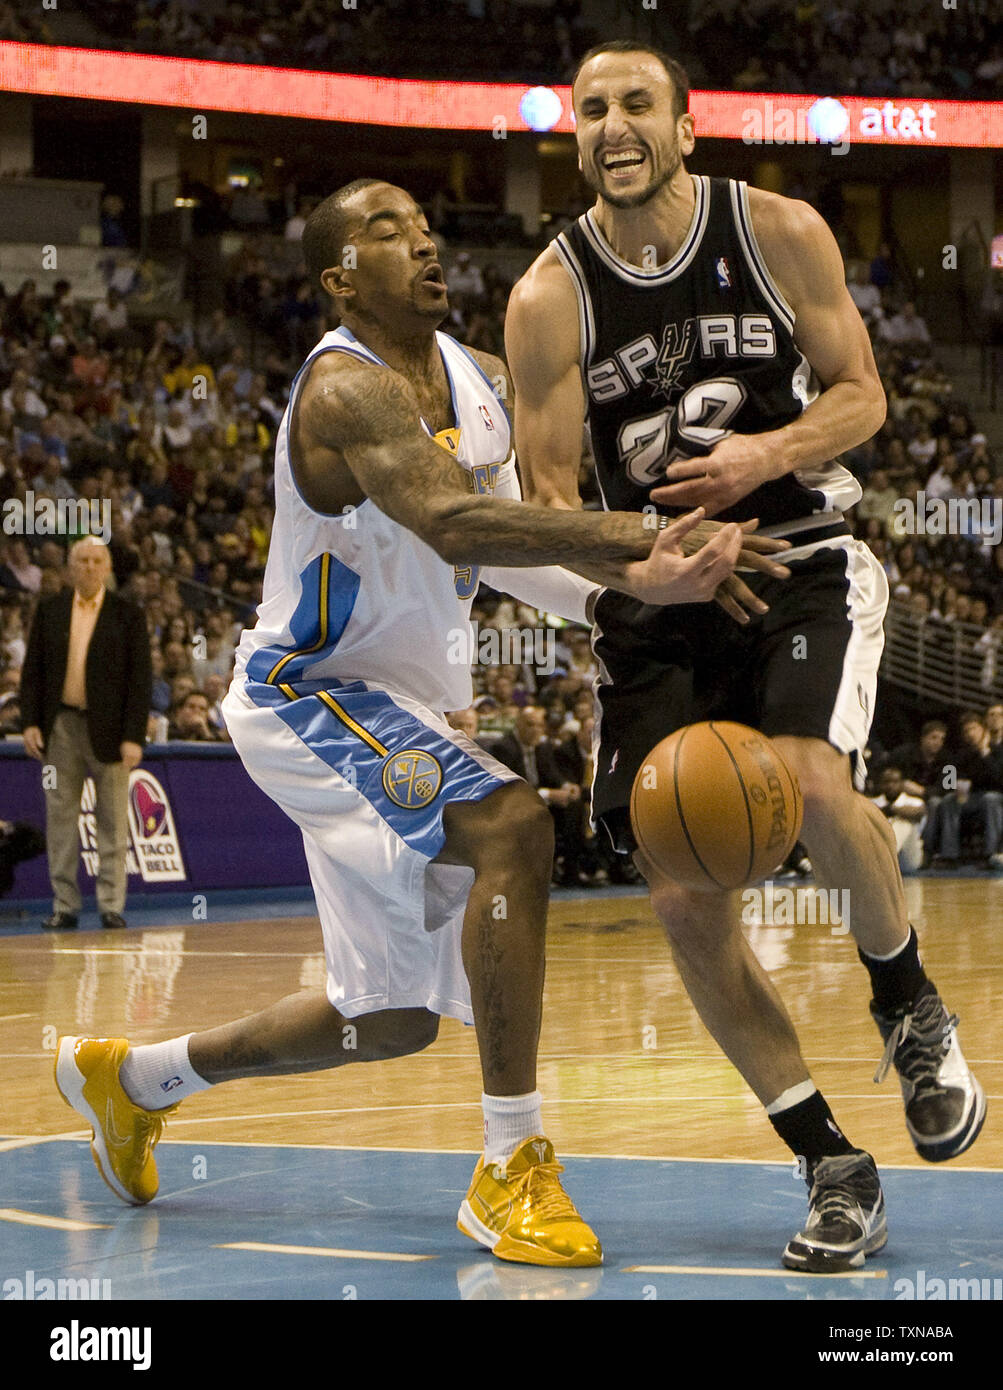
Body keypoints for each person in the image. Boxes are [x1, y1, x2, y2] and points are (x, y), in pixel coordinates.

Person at [54, 178, 787, 1268]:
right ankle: (510, 1166)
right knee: (514, 828)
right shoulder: (344, 390)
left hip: (389, 709)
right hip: (305, 690)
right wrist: (642, 536)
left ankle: (136, 1078)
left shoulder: (479, 382)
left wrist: (630, 593)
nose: (425, 241)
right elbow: (451, 523)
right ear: (342, 279)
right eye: (387, 230)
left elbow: (497, 546)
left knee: (385, 1019)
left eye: (427, 226)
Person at [504, 39, 985, 1273]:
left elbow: (862, 395)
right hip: (654, 597)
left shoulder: (778, 231)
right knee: (679, 884)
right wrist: (642, 563)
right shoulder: (547, 296)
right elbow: (549, 497)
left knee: (812, 778)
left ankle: (908, 1007)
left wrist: (758, 463)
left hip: (798, 549)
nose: (613, 127)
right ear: (576, 136)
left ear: (685, 123)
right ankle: (830, 1161)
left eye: (636, 105)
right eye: (591, 110)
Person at [20, 537, 151, 930]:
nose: (90, 567)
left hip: (111, 732)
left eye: (97, 560)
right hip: (60, 726)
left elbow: (139, 680)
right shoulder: (51, 610)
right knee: (60, 817)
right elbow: (33, 672)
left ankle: (111, 904)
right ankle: (65, 905)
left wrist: (134, 736)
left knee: (112, 819)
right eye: (82, 560)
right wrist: (29, 722)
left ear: (107, 568)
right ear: (70, 569)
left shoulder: (128, 614)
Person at [870, 766, 926, 875]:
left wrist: (890, 809)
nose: (890, 785)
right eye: (886, 782)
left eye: (895, 782)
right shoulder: (872, 802)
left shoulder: (914, 801)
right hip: (876, 850)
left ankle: (883, 859)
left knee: (904, 822)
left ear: (902, 783)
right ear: (881, 784)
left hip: (908, 859)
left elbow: (918, 812)